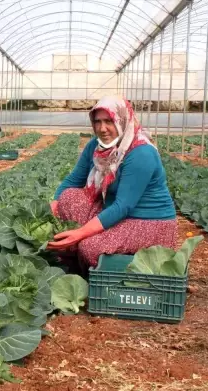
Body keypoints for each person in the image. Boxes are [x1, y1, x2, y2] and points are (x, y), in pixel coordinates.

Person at [47, 95, 177, 270]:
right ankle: (73, 263)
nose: (102, 128)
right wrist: (54, 204)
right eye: (97, 122)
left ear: (122, 120)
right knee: (69, 197)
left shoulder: (141, 153)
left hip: (148, 222)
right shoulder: (97, 145)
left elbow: (123, 206)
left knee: (89, 247)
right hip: (116, 212)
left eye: (109, 121)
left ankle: (137, 265)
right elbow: (73, 180)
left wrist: (80, 233)